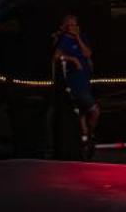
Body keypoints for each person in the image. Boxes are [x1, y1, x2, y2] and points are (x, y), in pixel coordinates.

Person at [52, 14, 98, 150]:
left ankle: (85, 138)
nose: (74, 27)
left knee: (82, 113)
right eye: (71, 25)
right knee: (94, 110)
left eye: (75, 24)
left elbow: (88, 53)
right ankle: (90, 134)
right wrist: (72, 59)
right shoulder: (64, 40)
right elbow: (56, 56)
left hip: (86, 80)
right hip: (75, 81)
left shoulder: (82, 37)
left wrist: (78, 38)